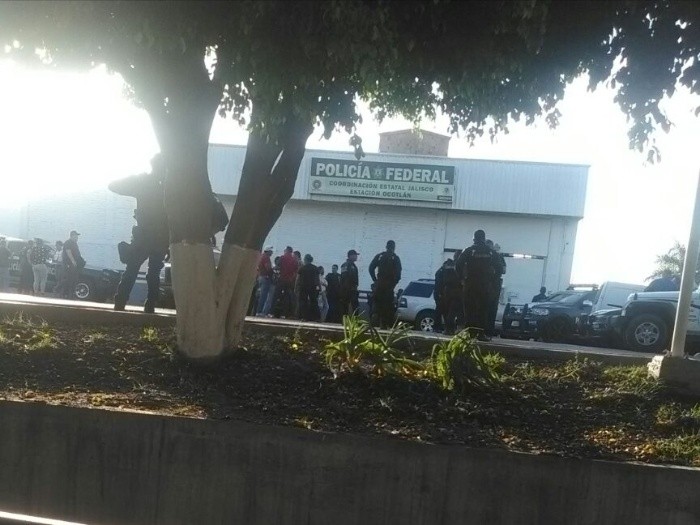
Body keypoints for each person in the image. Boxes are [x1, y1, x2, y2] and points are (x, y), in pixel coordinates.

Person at [109, 154, 169, 313]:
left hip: (144, 235)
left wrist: (136, 179)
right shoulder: (169, 188)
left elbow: (113, 185)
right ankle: (150, 305)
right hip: (161, 238)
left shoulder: (144, 182)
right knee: (153, 272)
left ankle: (120, 303)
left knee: (132, 269)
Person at [456, 229, 496, 341]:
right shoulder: (490, 252)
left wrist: (462, 279)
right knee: (483, 310)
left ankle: (470, 334)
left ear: (474, 239)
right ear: (484, 238)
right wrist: (492, 281)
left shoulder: (468, 251)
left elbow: (458, 265)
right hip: (485, 285)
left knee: (469, 310)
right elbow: (499, 267)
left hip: (470, 284)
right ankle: (481, 334)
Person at [369, 240, 402, 328]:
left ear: (386, 247)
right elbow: (398, 274)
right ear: (394, 247)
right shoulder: (395, 258)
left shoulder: (380, 256)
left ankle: (373, 323)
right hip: (389, 286)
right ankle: (384, 325)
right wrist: (393, 284)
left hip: (379, 285)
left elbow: (371, 268)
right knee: (387, 306)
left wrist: (375, 280)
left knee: (376, 304)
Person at [485, 240, 506, 336]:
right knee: (492, 309)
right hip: (494, 284)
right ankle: (489, 331)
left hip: (479, 284)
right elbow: (503, 270)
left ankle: (476, 330)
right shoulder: (497, 256)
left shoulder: (474, 251)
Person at [437, 257, 462, 335]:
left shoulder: (443, 271)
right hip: (457, 294)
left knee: (447, 313)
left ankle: (448, 329)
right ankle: (451, 329)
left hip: (447, 294)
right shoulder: (457, 270)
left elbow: (439, 282)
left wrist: (439, 293)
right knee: (452, 313)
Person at [274, 246, 299, 318]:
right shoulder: (294, 260)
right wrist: (292, 278)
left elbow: (277, 266)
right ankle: (284, 313)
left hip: (281, 279)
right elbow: (296, 271)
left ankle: (274, 313)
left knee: (277, 296)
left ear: (287, 251)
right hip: (289, 281)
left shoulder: (282, 257)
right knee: (287, 297)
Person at [297, 254, 320, 321]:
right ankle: (317, 317)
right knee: (314, 302)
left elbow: (298, 279)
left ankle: (304, 317)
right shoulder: (315, 268)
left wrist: (296, 287)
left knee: (303, 302)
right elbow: (317, 279)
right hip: (313, 287)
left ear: (305, 260)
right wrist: (319, 287)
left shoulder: (302, 268)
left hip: (303, 286)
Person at [62, 230, 83, 299]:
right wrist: (73, 261)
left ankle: (71, 294)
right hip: (69, 264)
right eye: (76, 236)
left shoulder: (75, 243)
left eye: (77, 236)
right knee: (69, 279)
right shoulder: (68, 242)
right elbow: (68, 252)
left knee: (74, 279)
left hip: (74, 265)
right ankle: (65, 294)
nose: (77, 237)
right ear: (72, 236)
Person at [256, 246, 275, 316]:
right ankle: (260, 311)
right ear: (268, 251)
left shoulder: (262, 256)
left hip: (261, 276)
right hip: (265, 277)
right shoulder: (266, 257)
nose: (272, 253)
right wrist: (273, 271)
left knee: (261, 295)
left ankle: (258, 311)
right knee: (263, 296)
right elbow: (268, 268)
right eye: (271, 251)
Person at [340, 249, 360, 316]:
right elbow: (344, 277)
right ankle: (345, 320)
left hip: (353, 289)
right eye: (355, 255)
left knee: (355, 307)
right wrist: (346, 289)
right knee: (345, 306)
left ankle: (354, 320)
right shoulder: (345, 265)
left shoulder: (353, 265)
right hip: (347, 290)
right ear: (350, 256)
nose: (356, 257)